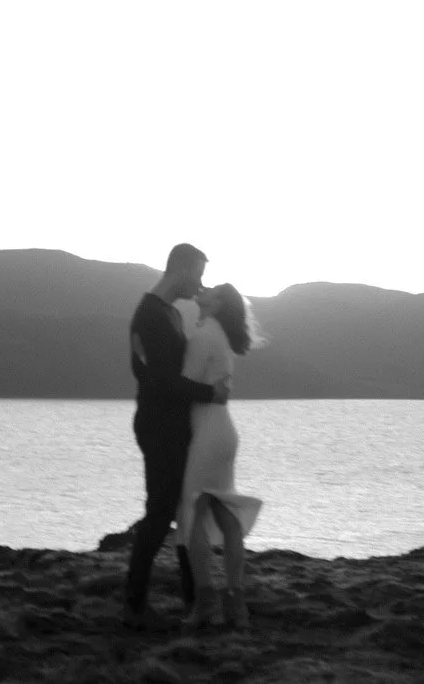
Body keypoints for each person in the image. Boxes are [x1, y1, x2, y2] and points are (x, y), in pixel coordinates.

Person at [124, 243, 228, 627]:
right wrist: (209, 394)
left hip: (173, 424)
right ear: (182, 269)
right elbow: (159, 379)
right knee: (161, 510)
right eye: (198, 274)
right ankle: (134, 604)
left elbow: (177, 368)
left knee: (184, 507)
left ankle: (193, 596)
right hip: (158, 425)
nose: (200, 282)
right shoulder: (149, 314)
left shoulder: (169, 313)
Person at [176, 283, 265, 629]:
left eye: (210, 292)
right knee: (224, 513)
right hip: (224, 430)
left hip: (206, 431)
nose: (202, 291)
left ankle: (205, 602)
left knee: (193, 512)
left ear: (215, 306)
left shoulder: (204, 336)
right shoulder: (224, 337)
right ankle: (236, 601)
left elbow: (185, 384)